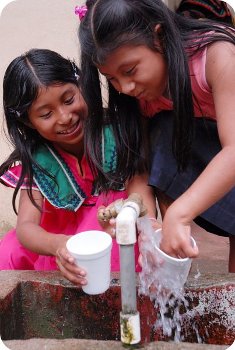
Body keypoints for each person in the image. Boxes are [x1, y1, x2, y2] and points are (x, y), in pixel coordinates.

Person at [77, 0, 235, 272]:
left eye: (129, 70)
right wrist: (147, 225)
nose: (124, 87)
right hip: (215, 158)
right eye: (111, 78)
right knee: (163, 132)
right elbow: (140, 168)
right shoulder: (138, 97)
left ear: (159, 37)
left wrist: (180, 213)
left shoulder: (217, 56)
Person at [0, 48, 146, 286]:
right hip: (61, 241)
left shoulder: (118, 134)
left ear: (80, 84)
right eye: (46, 114)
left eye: (69, 100)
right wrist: (59, 245)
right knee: (8, 251)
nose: (65, 117)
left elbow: (140, 194)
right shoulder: (39, 159)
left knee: (116, 242)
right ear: (28, 121)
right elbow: (26, 228)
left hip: (111, 228)